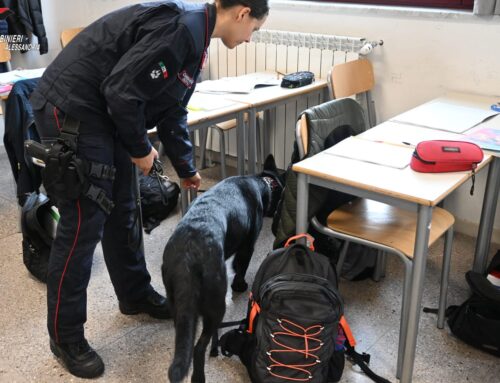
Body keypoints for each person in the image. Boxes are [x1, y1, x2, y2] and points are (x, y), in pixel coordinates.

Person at [29, 0, 269, 379]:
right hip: (72, 107)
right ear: (242, 13)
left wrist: (187, 169)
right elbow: (122, 92)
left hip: (105, 110)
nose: (250, 37)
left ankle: (134, 293)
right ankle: (65, 336)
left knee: (124, 204)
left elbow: (172, 109)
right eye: (254, 29)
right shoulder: (183, 29)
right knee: (83, 224)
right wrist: (141, 149)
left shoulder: (198, 37)